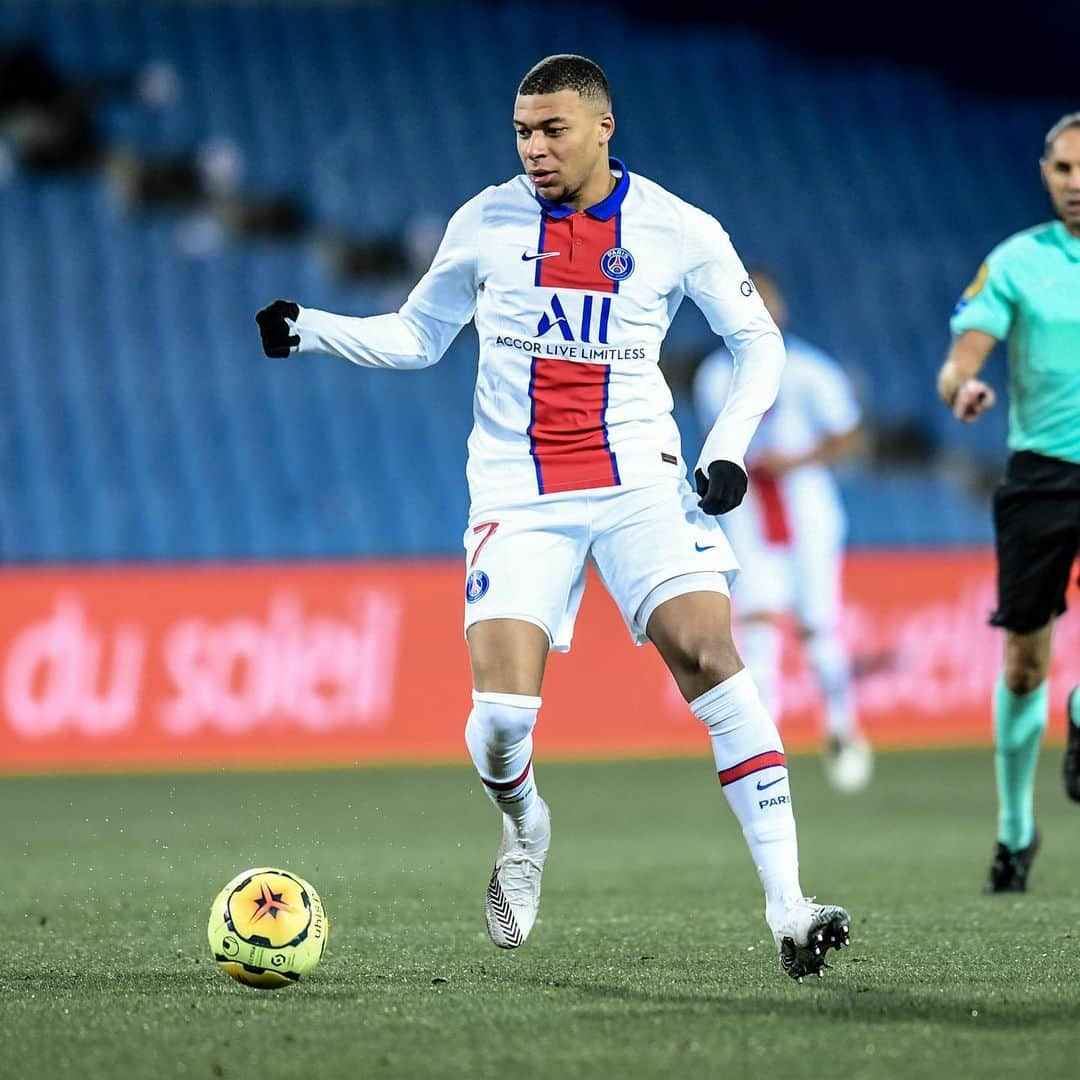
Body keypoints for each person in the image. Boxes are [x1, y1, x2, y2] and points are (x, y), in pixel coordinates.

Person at [256, 54, 850, 980]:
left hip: (640, 484)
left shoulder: (674, 227)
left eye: (553, 130)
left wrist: (728, 445)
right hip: (518, 493)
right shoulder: (485, 221)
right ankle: (525, 826)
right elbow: (419, 336)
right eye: (523, 132)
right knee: (499, 719)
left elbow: (756, 342)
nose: (534, 148)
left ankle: (788, 906)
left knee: (710, 654)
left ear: (603, 128)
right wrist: (312, 325)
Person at [937, 111, 1080, 894]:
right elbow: (959, 360)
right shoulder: (1018, 262)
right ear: (1044, 171)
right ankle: (1016, 830)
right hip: (1041, 477)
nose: (1077, 182)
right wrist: (963, 390)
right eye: (1063, 168)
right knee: (1025, 666)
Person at [692, 270, 870, 793]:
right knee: (759, 623)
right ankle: (762, 743)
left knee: (817, 626)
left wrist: (799, 460)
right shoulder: (714, 373)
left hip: (808, 514)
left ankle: (842, 728)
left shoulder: (812, 369)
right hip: (748, 512)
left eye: (766, 299)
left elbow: (849, 435)